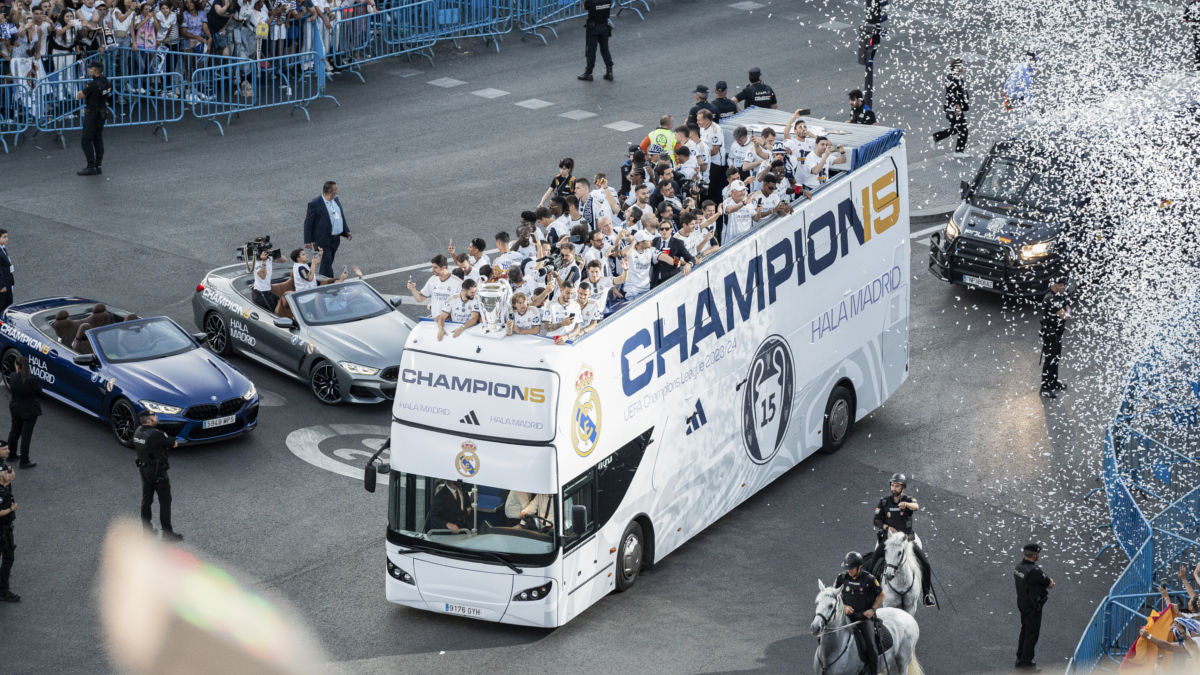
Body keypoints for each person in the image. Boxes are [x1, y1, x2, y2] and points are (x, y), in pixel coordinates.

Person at [870, 473, 936, 606]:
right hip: (889, 539)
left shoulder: (908, 499)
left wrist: (906, 505)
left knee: (925, 564)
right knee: (873, 563)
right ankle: (872, 591)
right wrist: (886, 526)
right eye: (892, 485)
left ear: (902, 488)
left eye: (897, 486)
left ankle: (926, 594)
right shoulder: (884, 502)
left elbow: (916, 506)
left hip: (907, 539)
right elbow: (876, 520)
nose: (894, 488)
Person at [132, 411, 183, 541]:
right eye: (154, 417)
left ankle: (147, 532)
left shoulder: (138, 431)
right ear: (149, 421)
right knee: (165, 503)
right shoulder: (156, 434)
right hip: (158, 473)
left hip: (144, 470)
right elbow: (174, 443)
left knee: (146, 501)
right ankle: (167, 535)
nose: (157, 418)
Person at [835, 551, 883, 675]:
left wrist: (872, 610)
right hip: (845, 616)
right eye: (847, 568)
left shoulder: (869, 579)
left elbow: (881, 595)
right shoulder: (841, 578)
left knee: (872, 647)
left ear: (859, 567)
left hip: (863, 619)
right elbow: (834, 596)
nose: (849, 571)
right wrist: (844, 606)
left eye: (851, 568)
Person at [1014, 542, 1053, 670]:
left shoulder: (1018, 568)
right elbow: (1050, 583)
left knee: (1024, 630)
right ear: (1035, 555)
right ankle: (1026, 663)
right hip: (1032, 606)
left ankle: (1020, 656)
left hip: (1022, 603)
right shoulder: (1035, 571)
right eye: (1038, 554)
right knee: (1032, 634)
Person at [303, 181, 353, 278]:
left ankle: (322, 281)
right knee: (326, 262)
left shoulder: (336, 200)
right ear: (330, 191)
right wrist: (307, 240)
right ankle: (329, 283)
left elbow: (341, 216)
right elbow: (308, 222)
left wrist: (347, 231)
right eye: (335, 189)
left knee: (328, 262)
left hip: (335, 238)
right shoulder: (315, 203)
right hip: (322, 240)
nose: (337, 191)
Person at [5, 356, 41, 469]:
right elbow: (39, 391)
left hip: (15, 408)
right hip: (29, 410)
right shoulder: (31, 379)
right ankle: (24, 461)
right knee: (26, 436)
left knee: (14, 431)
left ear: (17, 366)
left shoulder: (12, 376)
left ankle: (11, 455)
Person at [75, 62, 111, 176]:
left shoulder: (93, 85)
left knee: (85, 140)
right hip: (102, 112)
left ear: (95, 71)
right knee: (98, 138)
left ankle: (91, 166)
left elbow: (80, 95)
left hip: (92, 113)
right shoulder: (107, 82)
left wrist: (82, 91)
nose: (88, 70)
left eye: (90, 68)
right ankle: (98, 165)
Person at [932, 59, 971, 158]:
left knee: (956, 129)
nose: (963, 67)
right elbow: (952, 94)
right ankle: (959, 152)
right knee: (963, 130)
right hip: (954, 108)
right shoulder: (952, 78)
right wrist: (957, 106)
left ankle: (936, 137)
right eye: (961, 65)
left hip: (955, 107)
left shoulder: (955, 77)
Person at [1039, 277, 1070, 398]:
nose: (1063, 287)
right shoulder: (1050, 299)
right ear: (1054, 285)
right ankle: (1045, 387)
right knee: (1049, 361)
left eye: (1064, 284)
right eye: (1061, 285)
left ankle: (1053, 382)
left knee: (1056, 358)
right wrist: (1067, 313)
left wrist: (1067, 312)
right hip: (1050, 334)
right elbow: (1065, 315)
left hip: (1057, 333)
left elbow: (1068, 307)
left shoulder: (1060, 295)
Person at [577, 0, 613, 82]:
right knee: (605, 50)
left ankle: (589, 73)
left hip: (593, 28)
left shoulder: (590, 1)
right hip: (604, 27)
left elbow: (584, 7)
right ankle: (610, 72)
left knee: (591, 51)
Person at [0, 451, 16, 602]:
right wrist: (11, 509)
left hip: (6, 527)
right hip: (2, 529)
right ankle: (3, 591)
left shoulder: (5, 487)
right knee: (8, 557)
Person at [250, 246, 276, 311]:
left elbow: (284, 260)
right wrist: (264, 262)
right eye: (265, 250)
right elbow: (263, 276)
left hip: (267, 290)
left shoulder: (269, 257)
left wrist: (275, 253)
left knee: (280, 303)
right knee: (273, 312)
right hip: (261, 292)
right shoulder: (257, 263)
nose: (267, 251)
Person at [0, 230, 13, 314]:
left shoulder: (2, 248)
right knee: (3, 305)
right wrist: (2, 285)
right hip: (3, 284)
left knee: (8, 304)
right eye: (4, 237)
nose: (6, 239)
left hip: (7, 281)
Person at [1186, 0, 1199, 72]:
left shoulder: (1193, 4)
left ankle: (1198, 68)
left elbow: (1186, 19)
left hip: (1197, 31)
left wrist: (1194, 20)